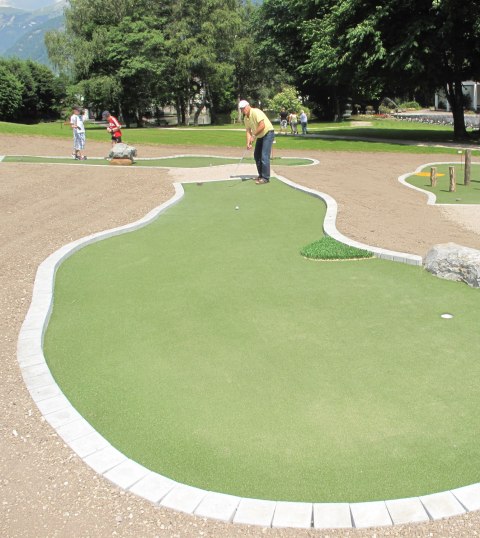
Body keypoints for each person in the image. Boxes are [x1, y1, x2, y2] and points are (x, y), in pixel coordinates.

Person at [239, 99, 275, 184]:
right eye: (241, 109)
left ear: (248, 106)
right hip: (260, 135)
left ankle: (265, 178)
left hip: (268, 133)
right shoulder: (246, 118)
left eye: (243, 108)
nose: (242, 110)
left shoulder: (255, 112)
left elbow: (262, 125)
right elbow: (248, 131)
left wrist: (254, 135)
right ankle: (261, 175)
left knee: (264, 155)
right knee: (256, 155)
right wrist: (248, 142)